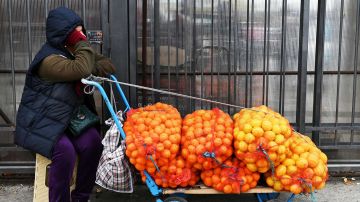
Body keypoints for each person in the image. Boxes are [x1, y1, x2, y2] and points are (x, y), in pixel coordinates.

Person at [15, 7, 115, 202]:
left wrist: (86, 61)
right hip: (43, 121)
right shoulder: (49, 60)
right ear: (64, 35)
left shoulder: (75, 52)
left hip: (69, 119)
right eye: (77, 32)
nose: (82, 36)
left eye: (82, 31)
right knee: (66, 152)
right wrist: (85, 58)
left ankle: (81, 197)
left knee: (93, 143)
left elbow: (108, 66)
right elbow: (82, 68)